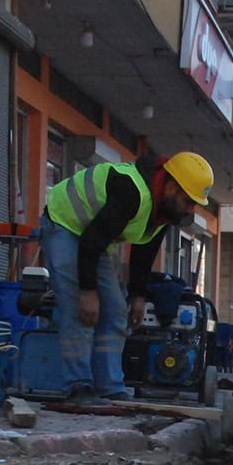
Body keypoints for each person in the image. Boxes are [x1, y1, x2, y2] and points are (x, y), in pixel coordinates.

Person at [41, 151, 214, 400]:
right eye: (188, 201)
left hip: (95, 240)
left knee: (115, 311)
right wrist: (88, 291)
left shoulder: (163, 212)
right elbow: (91, 241)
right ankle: (77, 385)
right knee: (81, 311)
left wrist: (138, 295)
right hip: (64, 223)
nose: (190, 209)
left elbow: (145, 249)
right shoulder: (131, 191)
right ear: (171, 187)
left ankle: (110, 387)